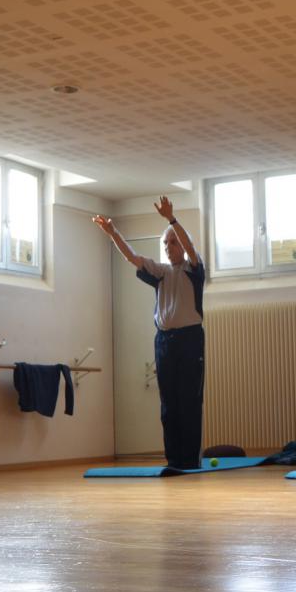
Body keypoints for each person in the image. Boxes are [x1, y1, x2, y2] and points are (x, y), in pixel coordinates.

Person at [94, 197, 205, 470]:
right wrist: (113, 233)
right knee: (168, 405)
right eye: (166, 243)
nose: (169, 247)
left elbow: (190, 247)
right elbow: (132, 257)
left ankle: (190, 460)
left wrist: (171, 220)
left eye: (173, 242)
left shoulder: (194, 269)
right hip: (164, 342)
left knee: (189, 401)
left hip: (190, 340)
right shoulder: (161, 273)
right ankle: (175, 460)